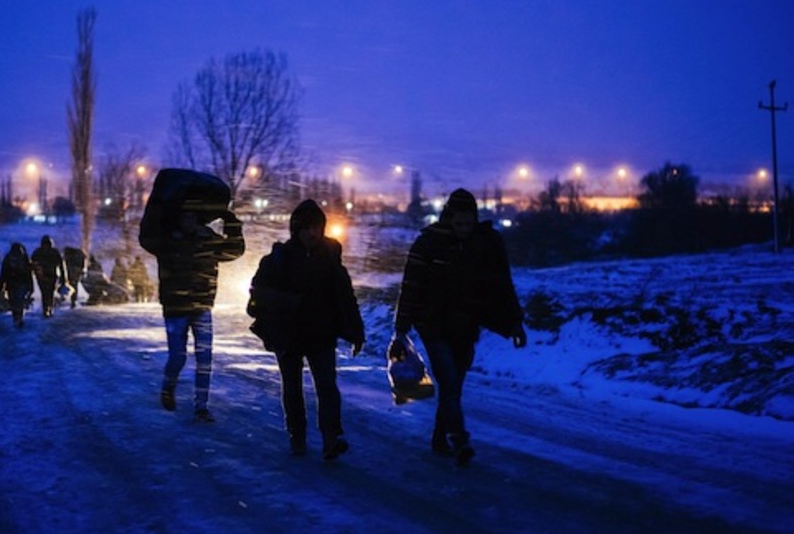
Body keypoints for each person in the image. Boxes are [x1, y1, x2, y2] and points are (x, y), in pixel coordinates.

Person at [391, 188, 526, 466]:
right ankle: (459, 439)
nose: (464, 229)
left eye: (468, 223)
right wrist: (401, 327)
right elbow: (411, 286)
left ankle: (440, 438)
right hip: (433, 325)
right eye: (459, 223)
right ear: (449, 219)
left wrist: (514, 324)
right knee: (449, 381)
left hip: (465, 326)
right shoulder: (429, 244)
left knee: (454, 388)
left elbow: (502, 285)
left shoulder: (484, 245)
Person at [248, 200, 365, 459]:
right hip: (288, 334)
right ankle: (297, 436)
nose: (312, 233)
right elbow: (258, 293)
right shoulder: (279, 258)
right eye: (306, 228)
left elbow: (346, 297)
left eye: (316, 227)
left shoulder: (331, 259)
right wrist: (289, 301)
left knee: (327, 386)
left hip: (321, 334)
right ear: (296, 230)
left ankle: (331, 438)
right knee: (293, 387)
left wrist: (357, 331)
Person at [139, 206, 245, 422]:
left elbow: (234, 250)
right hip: (176, 307)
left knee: (204, 359)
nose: (188, 221)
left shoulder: (205, 238)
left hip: (200, 306)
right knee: (178, 356)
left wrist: (232, 223)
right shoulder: (168, 239)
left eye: (191, 217)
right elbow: (145, 239)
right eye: (184, 216)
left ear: (197, 219)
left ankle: (201, 407)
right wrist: (154, 217)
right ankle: (168, 387)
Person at [0, 242, 33, 328]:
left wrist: (1, 287)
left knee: (13, 302)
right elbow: (29, 273)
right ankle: (20, 318)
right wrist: (30, 286)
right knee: (20, 301)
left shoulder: (8, 258)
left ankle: (15, 318)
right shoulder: (24, 257)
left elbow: (3, 273)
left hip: (11, 283)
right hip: (22, 283)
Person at [31, 235, 66, 318]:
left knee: (46, 293)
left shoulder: (38, 252)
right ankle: (48, 309)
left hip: (43, 276)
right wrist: (63, 278)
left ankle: (46, 309)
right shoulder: (55, 252)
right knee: (49, 293)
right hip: (51, 275)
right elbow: (61, 266)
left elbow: (32, 263)